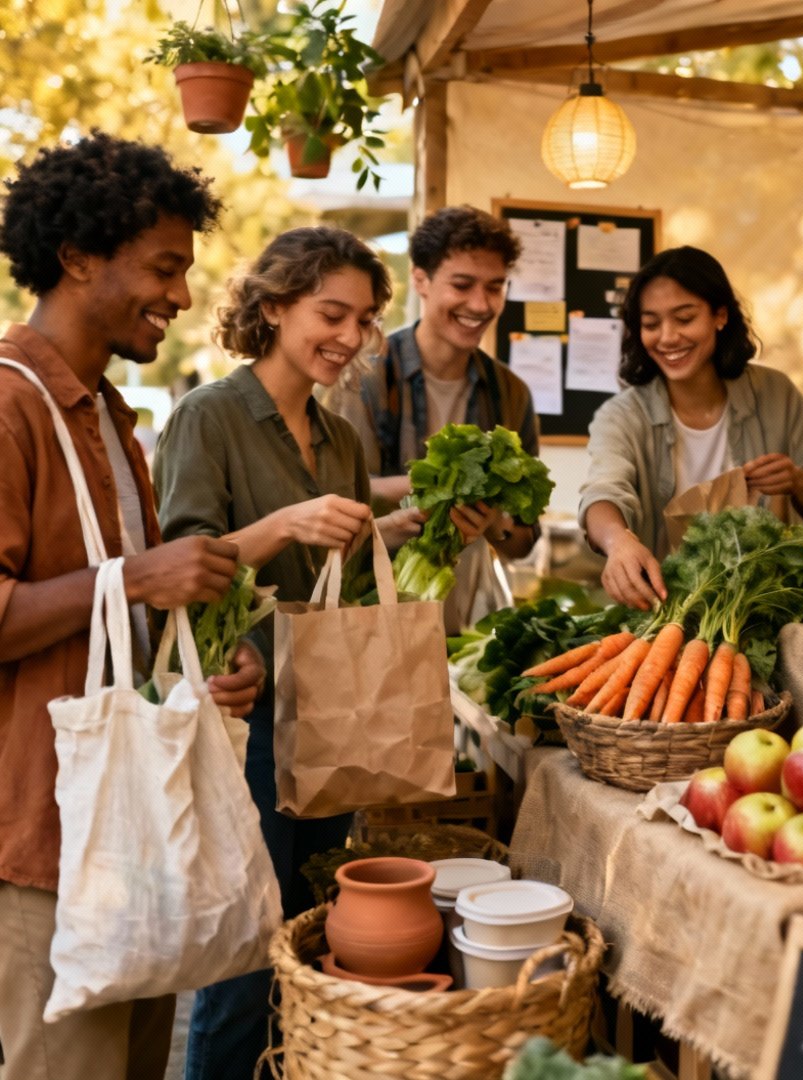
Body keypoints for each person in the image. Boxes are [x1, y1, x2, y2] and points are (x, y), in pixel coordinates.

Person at [0, 133, 264, 1080]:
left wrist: (197, 658)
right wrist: (138, 580)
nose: (182, 295)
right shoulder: (9, 405)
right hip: (45, 842)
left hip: (126, 827)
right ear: (77, 258)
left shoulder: (107, 413)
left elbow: (118, 617)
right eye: (162, 267)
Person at [152, 226, 418, 1080]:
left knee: (310, 939)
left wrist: (397, 532)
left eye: (363, 320)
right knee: (245, 957)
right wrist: (283, 525)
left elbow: (346, 578)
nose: (349, 336)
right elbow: (178, 567)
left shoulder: (341, 440)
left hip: (330, 717)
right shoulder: (209, 417)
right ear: (272, 307)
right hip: (246, 724)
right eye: (330, 314)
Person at [580, 245, 803, 610]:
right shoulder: (622, 415)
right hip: (661, 615)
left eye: (684, 319)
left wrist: (797, 480)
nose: (667, 337)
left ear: (720, 315)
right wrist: (618, 541)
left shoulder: (776, 394)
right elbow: (603, 491)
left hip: (767, 611)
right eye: (651, 324)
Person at [324, 205, 541, 630]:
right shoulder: (364, 377)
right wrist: (437, 489)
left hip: (469, 622)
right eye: (462, 285)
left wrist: (494, 523)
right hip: (372, 616)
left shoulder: (511, 393)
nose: (480, 304)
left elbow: (524, 542)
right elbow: (335, 501)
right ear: (420, 280)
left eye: (495, 287)